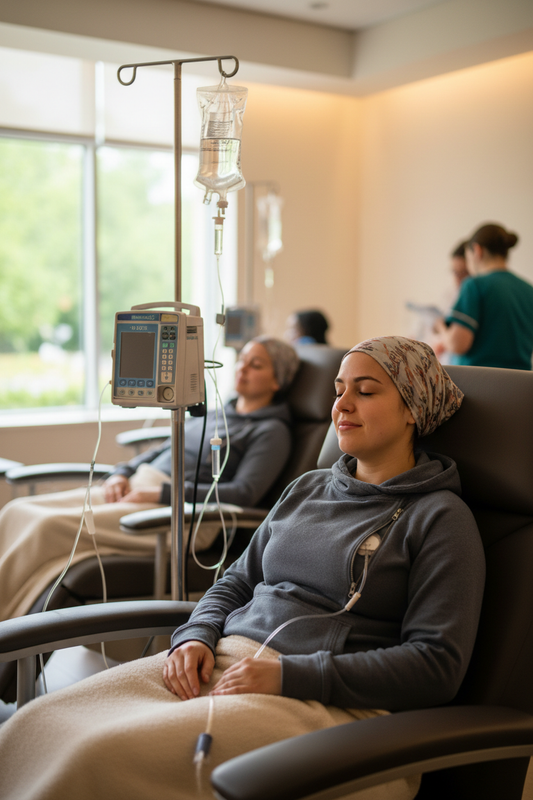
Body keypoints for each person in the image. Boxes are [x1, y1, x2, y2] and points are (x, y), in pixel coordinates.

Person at [0, 336, 485, 800]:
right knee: (38, 724)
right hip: (228, 660)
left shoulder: (440, 519)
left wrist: (288, 677)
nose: (342, 405)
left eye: (366, 391)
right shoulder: (308, 489)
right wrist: (196, 633)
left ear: (413, 410)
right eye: (338, 391)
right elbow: (236, 579)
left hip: (330, 706)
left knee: (95, 756)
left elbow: (436, 666)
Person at [0, 336, 299, 621]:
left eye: (256, 364)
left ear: (278, 380)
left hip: (181, 516)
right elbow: (163, 449)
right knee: (18, 510)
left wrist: (159, 495)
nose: (241, 368)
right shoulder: (220, 412)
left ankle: (8, 628)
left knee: (46, 527)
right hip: (136, 489)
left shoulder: (271, 432)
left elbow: (244, 493)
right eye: (242, 360)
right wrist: (122, 473)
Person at [433, 223, 533, 369]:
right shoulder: (528, 290)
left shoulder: (474, 285)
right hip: (521, 386)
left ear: (477, 251)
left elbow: (457, 344)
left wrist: (440, 326)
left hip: (479, 385)